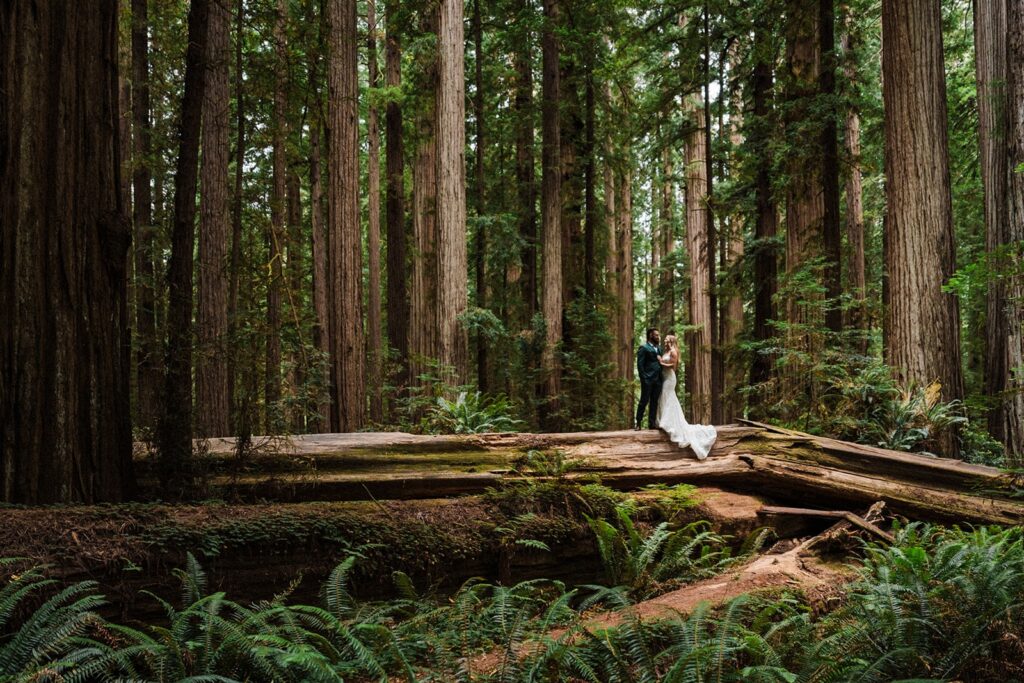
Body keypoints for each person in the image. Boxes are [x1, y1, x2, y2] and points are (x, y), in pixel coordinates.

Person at [657, 334, 717, 459]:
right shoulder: (667, 351)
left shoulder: (673, 351)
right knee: (664, 397)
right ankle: (664, 420)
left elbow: (673, 366)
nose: (665, 342)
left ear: (671, 341)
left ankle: (668, 423)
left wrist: (661, 362)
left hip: (670, 378)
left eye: (666, 341)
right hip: (664, 378)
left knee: (668, 397)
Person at [635, 328, 663, 430]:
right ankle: (638, 423)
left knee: (654, 401)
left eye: (658, 335)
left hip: (658, 380)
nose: (658, 337)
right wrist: (644, 378)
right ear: (650, 335)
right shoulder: (644, 347)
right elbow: (640, 365)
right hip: (648, 379)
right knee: (644, 400)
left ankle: (652, 423)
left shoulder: (659, 348)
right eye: (656, 335)